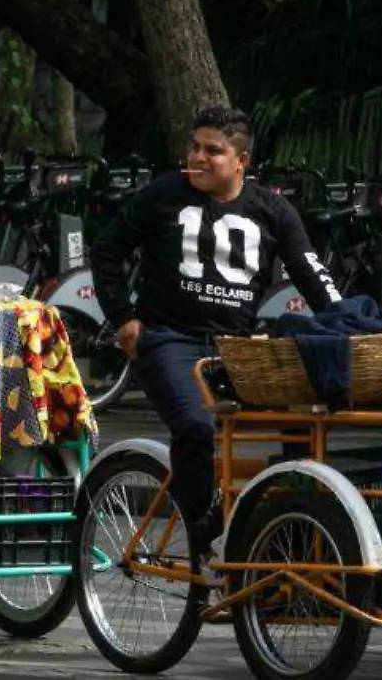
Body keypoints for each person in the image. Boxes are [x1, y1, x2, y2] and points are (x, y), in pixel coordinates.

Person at [88, 107, 341, 553]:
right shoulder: (164, 194)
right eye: (194, 147)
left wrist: (347, 322)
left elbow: (312, 274)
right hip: (169, 340)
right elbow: (107, 248)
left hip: (238, 348)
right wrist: (123, 318)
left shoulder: (273, 210)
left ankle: (287, 533)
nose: (197, 158)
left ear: (241, 161)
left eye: (213, 150)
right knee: (196, 426)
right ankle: (201, 538)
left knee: (303, 422)